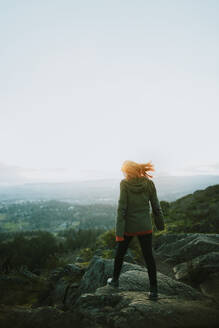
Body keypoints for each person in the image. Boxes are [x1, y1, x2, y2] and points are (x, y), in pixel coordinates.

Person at [107, 160, 165, 300]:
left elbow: (122, 209)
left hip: (129, 228)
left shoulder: (125, 184)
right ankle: (153, 290)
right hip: (145, 227)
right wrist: (160, 224)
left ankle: (115, 281)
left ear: (128, 171)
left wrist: (119, 233)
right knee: (149, 257)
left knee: (120, 253)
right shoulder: (149, 183)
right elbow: (156, 206)